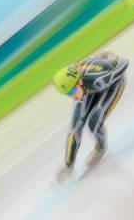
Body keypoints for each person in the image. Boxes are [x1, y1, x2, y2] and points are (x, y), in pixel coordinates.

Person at [53, 51, 128, 181]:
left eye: (72, 91)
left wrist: (111, 60)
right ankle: (69, 166)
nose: (72, 96)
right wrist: (68, 165)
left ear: (79, 81)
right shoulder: (79, 86)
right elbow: (74, 132)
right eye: (68, 93)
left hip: (113, 84)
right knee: (76, 127)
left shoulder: (99, 77)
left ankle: (101, 148)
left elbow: (124, 63)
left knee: (94, 120)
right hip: (89, 88)